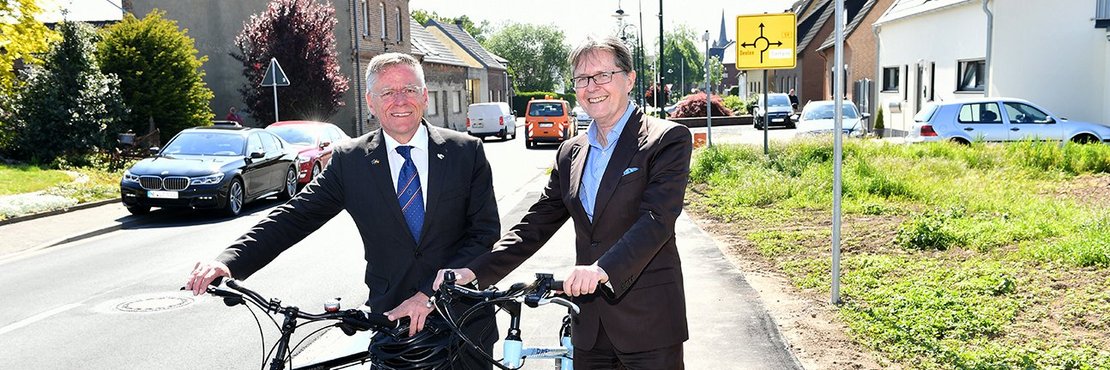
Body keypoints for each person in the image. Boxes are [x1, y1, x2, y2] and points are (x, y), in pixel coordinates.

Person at [185, 53, 500, 368]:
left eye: (410, 89)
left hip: (464, 326)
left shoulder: (465, 152)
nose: (400, 100)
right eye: (388, 93)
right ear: (370, 102)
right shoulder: (351, 161)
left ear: (424, 96)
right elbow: (294, 216)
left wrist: (427, 294)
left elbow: (483, 235)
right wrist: (228, 261)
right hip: (392, 327)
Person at [434, 36, 692, 369]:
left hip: (649, 322)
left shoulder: (666, 138)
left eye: (602, 75)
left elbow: (656, 220)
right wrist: (474, 270)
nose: (591, 86)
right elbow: (535, 224)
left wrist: (602, 270)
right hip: (589, 326)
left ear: (629, 80)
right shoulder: (570, 152)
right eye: (582, 79)